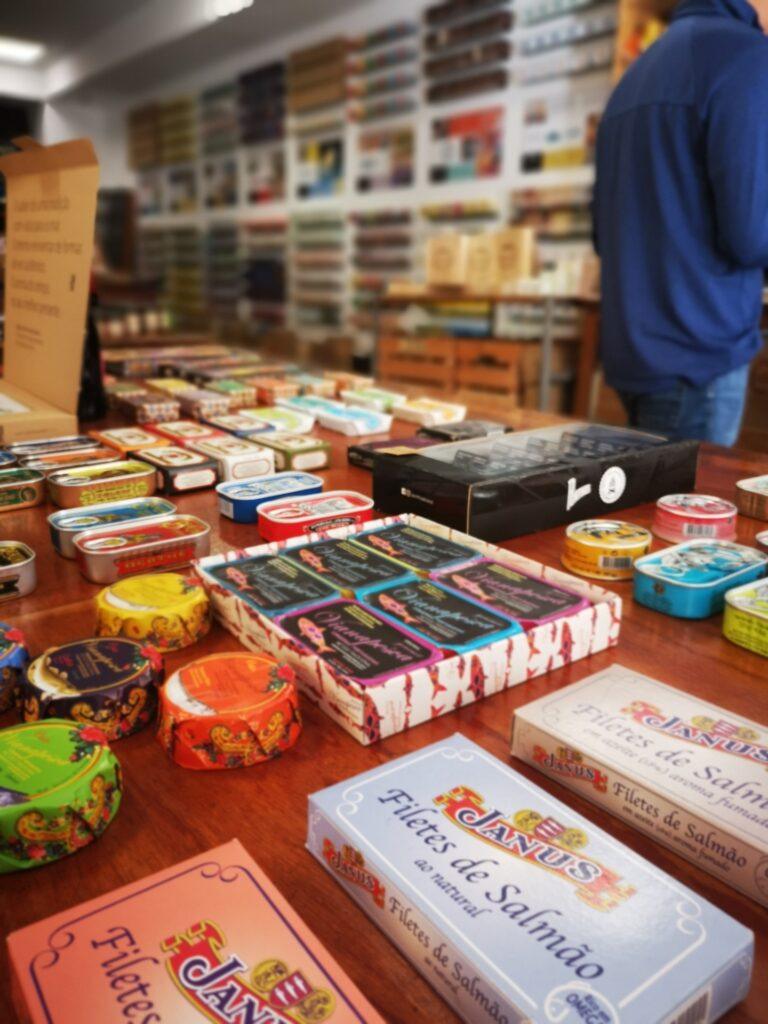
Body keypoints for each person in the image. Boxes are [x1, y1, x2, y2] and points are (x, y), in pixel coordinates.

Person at [593, 0, 768, 446]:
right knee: (682, 513)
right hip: (699, 355)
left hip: (634, 354)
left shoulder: (637, 71)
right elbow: (751, 233)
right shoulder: (746, 58)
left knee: (650, 510)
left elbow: (601, 233)